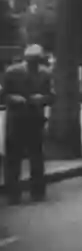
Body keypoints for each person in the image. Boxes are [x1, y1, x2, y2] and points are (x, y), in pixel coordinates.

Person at [1, 44, 54, 204]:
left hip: (35, 119)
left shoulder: (45, 74)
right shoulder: (12, 72)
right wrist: (13, 98)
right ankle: (13, 193)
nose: (34, 64)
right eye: (31, 61)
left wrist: (42, 99)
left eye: (36, 61)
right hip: (16, 118)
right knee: (13, 158)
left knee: (36, 157)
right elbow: (3, 95)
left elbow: (52, 96)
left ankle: (37, 191)